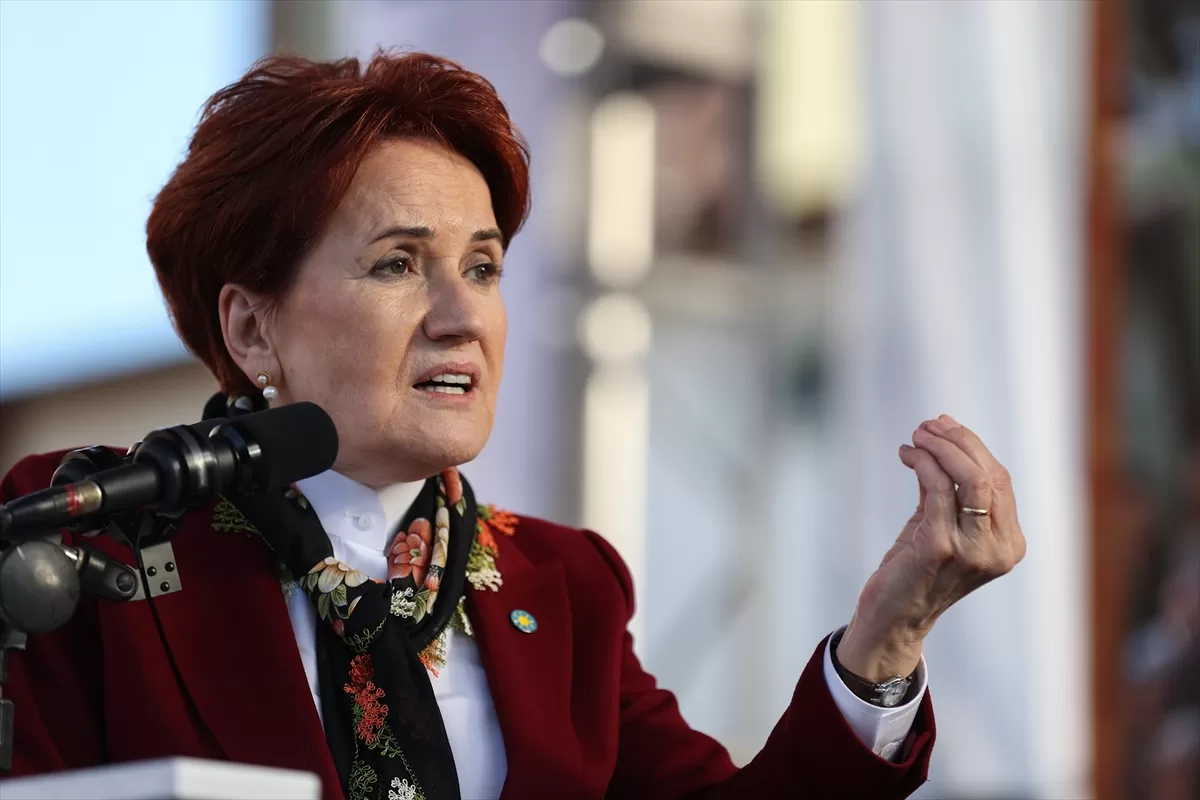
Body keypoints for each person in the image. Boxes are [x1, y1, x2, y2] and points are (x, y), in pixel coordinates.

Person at [0, 52, 1025, 800]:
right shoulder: (94, 536)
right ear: (251, 327)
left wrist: (888, 636)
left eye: (483, 266)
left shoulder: (564, 584)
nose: (462, 315)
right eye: (398, 264)